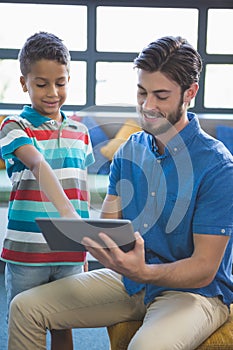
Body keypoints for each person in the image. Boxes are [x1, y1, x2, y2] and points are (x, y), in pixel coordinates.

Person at [7, 36, 233, 350]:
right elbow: (110, 227)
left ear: (190, 93)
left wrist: (143, 270)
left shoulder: (218, 165)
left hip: (194, 294)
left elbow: (204, 268)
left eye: (161, 95)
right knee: (25, 307)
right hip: (131, 281)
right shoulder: (129, 151)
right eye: (142, 93)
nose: (148, 106)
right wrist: (89, 239)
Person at [0, 32, 94, 350]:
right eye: (41, 84)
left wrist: (83, 244)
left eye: (60, 82)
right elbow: (38, 164)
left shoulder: (81, 132)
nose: (52, 93)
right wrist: (66, 212)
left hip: (69, 253)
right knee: (24, 328)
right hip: (27, 254)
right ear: (25, 83)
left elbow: (80, 189)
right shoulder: (14, 126)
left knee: (63, 327)